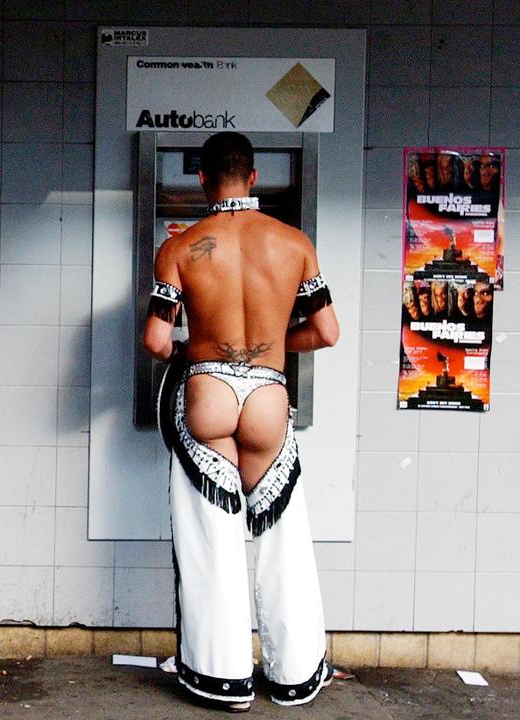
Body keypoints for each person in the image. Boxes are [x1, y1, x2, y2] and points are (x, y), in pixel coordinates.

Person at [142, 131, 339, 712]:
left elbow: (156, 340)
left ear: (201, 179)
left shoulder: (181, 247)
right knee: (285, 544)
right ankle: (295, 677)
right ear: (253, 178)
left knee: (212, 543)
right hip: (268, 402)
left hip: (207, 392)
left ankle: (221, 680)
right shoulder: (294, 243)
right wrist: (277, 343)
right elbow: (326, 333)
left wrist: (192, 354)